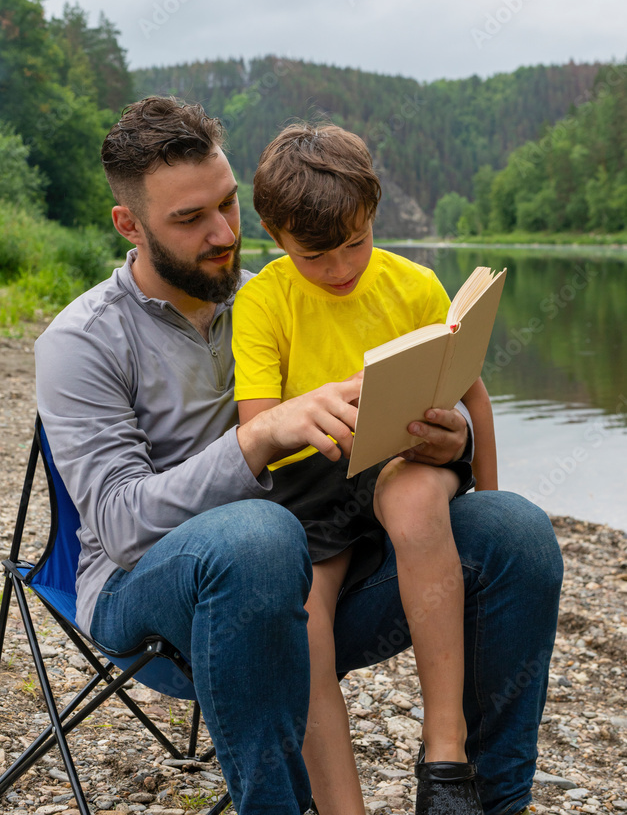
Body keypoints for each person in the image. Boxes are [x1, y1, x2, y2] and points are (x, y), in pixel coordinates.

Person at [35, 96, 563, 815]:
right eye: (190, 219)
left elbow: (402, 430)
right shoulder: (82, 342)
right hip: (153, 593)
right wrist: (260, 437)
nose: (223, 234)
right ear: (129, 225)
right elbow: (123, 529)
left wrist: (455, 441)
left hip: (303, 567)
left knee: (515, 533)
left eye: (227, 206)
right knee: (257, 536)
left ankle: (480, 799)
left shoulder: (290, 294)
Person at [232, 123, 497, 814]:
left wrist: (491, 497)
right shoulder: (264, 300)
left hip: (409, 456)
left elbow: (472, 395)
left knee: (412, 503)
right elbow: (256, 429)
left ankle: (444, 756)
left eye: (357, 241)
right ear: (273, 233)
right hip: (313, 485)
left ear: (372, 211)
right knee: (307, 613)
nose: (341, 267)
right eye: (316, 255)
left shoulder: (412, 284)